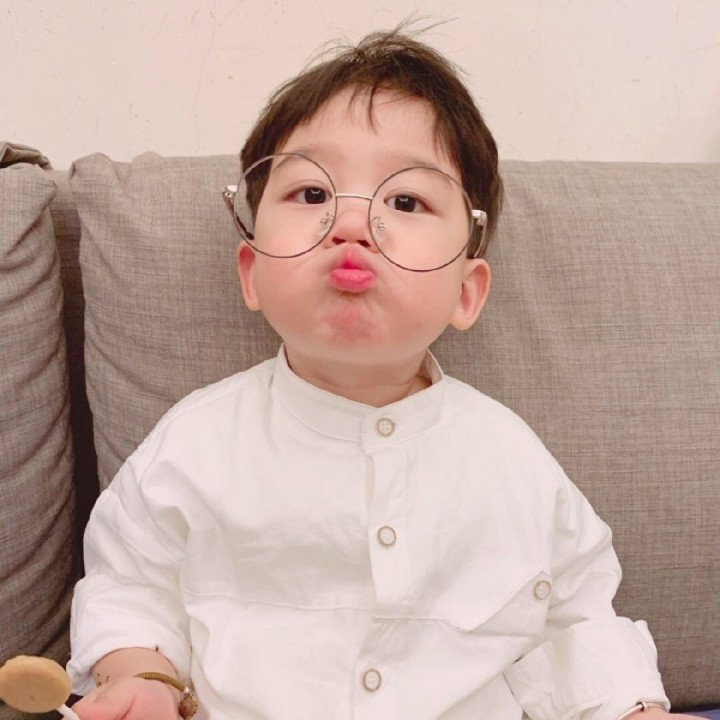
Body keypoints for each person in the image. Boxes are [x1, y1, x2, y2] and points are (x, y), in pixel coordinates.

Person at [67, 29, 700, 720]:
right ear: (252, 273)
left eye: (405, 202)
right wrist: (143, 679)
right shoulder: (196, 443)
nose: (350, 223)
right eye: (312, 191)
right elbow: (130, 586)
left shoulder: (508, 457)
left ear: (467, 292)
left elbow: (576, 615)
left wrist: (631, 710)